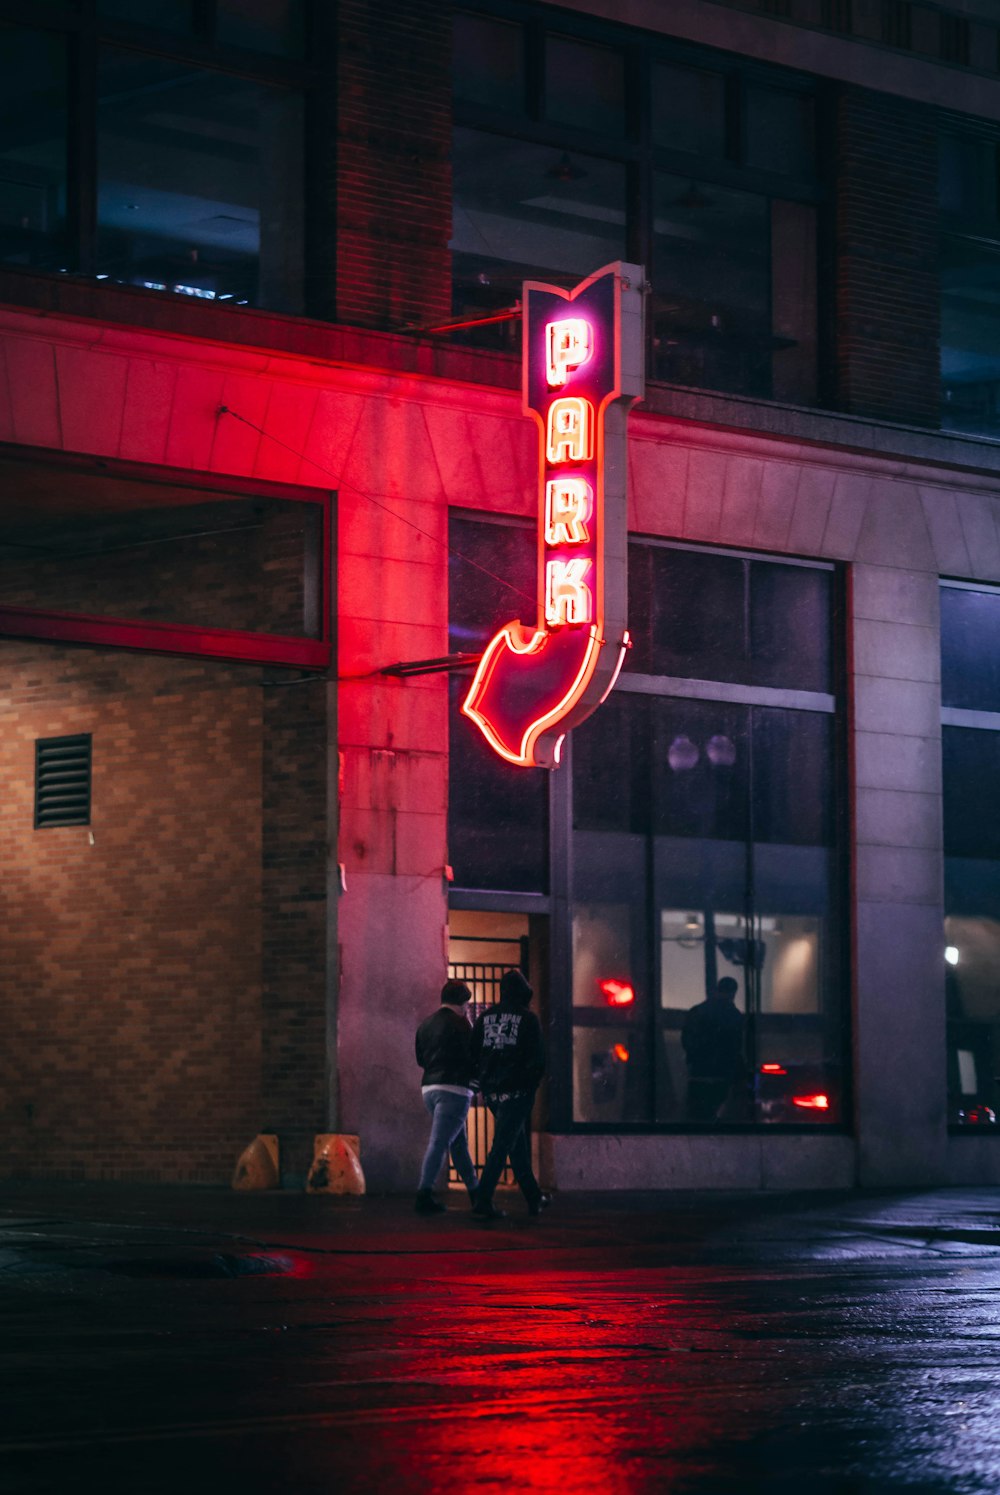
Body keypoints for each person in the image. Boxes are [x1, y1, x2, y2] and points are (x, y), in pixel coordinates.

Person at [469, 968, 549, 1220]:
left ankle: (535, 1197)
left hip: (493, 1092)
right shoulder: (528, 1019)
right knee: (504, 1144)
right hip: (518, 1091)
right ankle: (482, 1199)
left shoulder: (485, 1018)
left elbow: (474, 1053)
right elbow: (537, 1059)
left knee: (514, 1145)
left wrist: (484, 1081)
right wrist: (530, 1084)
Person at [414, 979, 479, 1214]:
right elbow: (474, 1056)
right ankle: (424, 1193)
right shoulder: (462, 1025)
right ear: (462, 1002)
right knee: (440, 1142)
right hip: (454, 1090)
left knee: (458, 1143)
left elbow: (420, 1059)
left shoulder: (426, 1024)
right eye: (466, 1004)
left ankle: (475, 1192)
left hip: (429, 1089)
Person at [681, 974, 746, 1121]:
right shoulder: (734, 1015)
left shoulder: (697, 1011)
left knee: (696, 1116)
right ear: (733, 993)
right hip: (721, 1074)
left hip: (698, 1073)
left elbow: (686, 1040)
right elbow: (736, 1046)